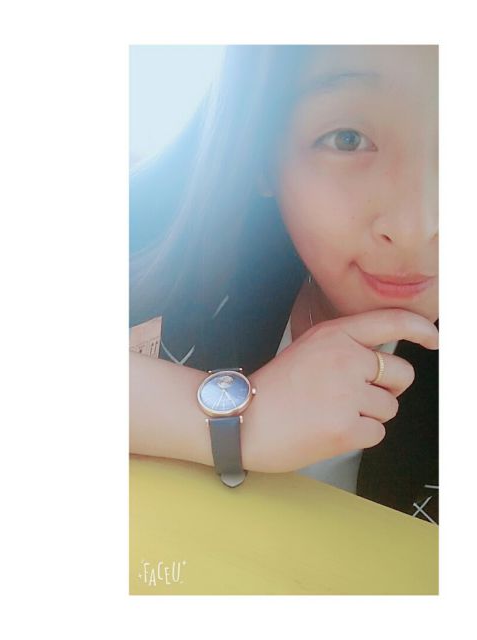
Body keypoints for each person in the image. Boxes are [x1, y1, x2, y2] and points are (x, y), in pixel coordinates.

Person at [130, 45, 439, 524]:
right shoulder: (203, 251)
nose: (416, 226)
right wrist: (241, 420)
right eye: (348, 139)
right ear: (262, 156)